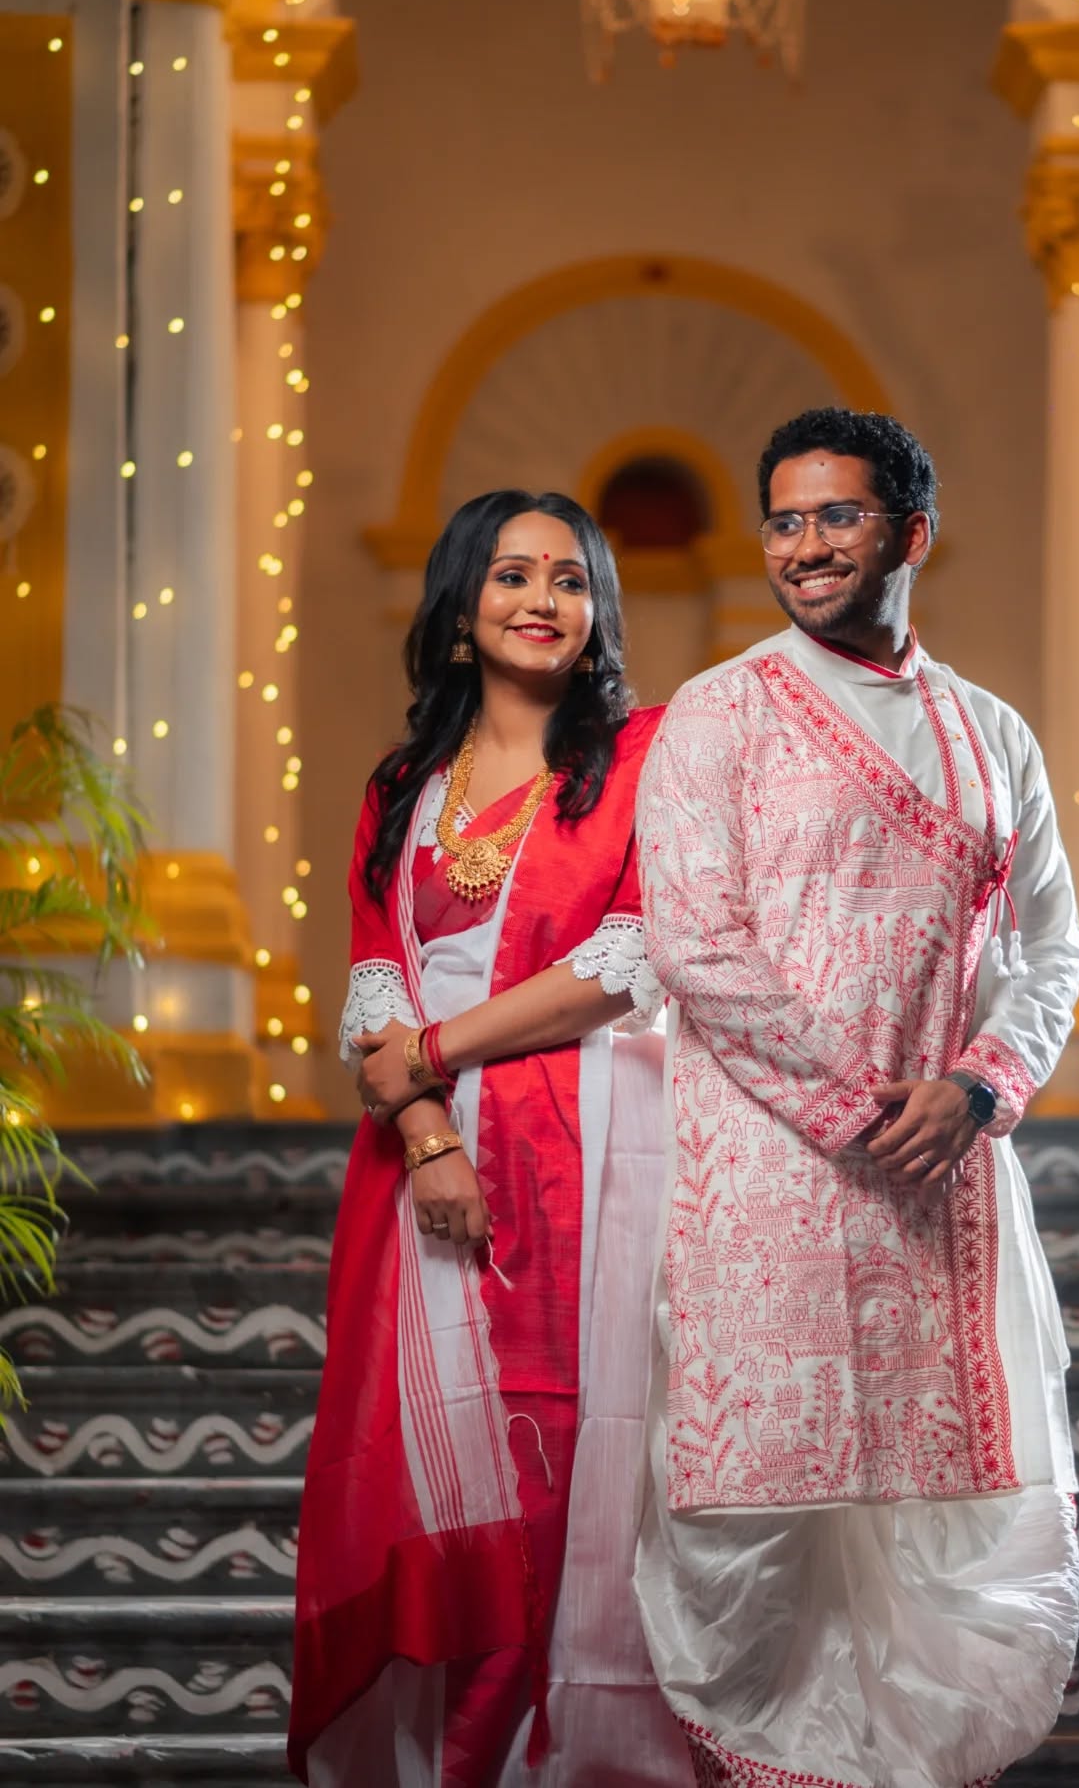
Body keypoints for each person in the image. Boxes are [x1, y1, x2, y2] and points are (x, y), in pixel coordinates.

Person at [633, 409, 1079, 1788]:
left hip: (946, 1185)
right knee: (756, 1519)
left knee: (948, 1526)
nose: (807, 545)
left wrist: (975, 1089)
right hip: (766, 1174)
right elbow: (696, 942)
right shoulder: (717, 713)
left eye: (837, 516)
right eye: (785, 520)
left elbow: (1048, 947)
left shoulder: (992, 733)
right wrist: (857, 1108)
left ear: (912, 533)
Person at [289, 490, 695, 1787]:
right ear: (462, 610)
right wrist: (423, 1131)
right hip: (416, 1177)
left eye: (570, 579)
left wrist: (442, 1058)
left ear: (598, 612)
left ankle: (565, 1760)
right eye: (512, 573)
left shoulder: (642, 756)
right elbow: (372, 983)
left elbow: (627, 959)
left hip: (586, 1157)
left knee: (561, 1479)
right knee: (428, 1493)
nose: (542, 598)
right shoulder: (402, 785)